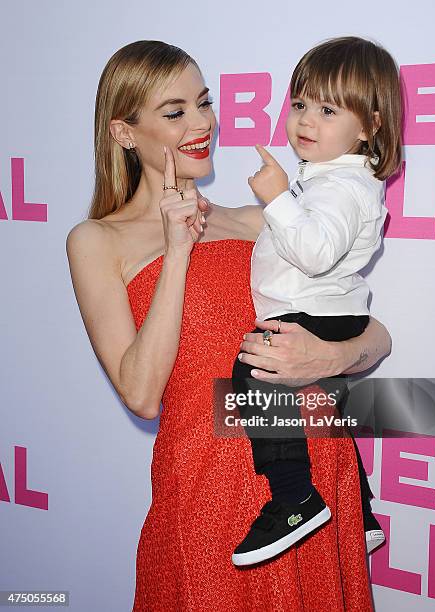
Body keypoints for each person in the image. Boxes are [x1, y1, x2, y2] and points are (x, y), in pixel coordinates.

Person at [66, 40, 392, 611]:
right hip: (208, 488)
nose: (203, 124)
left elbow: (373, 334)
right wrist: (175, 249)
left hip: (309, 471)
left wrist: (331, 359)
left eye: (204, 102)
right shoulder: (97, 241)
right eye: (175, 112)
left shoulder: (261, 219)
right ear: (124, 133)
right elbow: (141, 394)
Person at [231, 36, 402, 567]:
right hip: (326, 312)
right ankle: (364, 512)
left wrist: (277, 197)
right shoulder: (331, 178)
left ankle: (293, 498)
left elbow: (314, 252)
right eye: (300, 104)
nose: (306, 120)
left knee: (251, 374)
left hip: (316, 313)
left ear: (370, 124)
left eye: (328, 110)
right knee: (326, 411)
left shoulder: (342, 187)